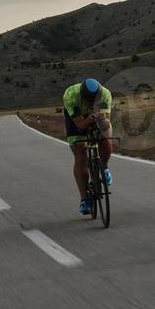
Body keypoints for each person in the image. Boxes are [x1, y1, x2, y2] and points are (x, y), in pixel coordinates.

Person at [62, 78, 114, 215]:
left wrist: (102, 119)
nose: (91, 104)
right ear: (82, 97)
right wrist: (89, 119)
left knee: (106, 138)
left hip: (97, 116)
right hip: (77, 119)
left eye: (93, 101)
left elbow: (106, 126)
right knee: (80, 154)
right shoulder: (71, 95)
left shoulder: (105, 94)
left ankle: (105, 167)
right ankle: (85, 199)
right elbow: (79, 126)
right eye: (89, 101)